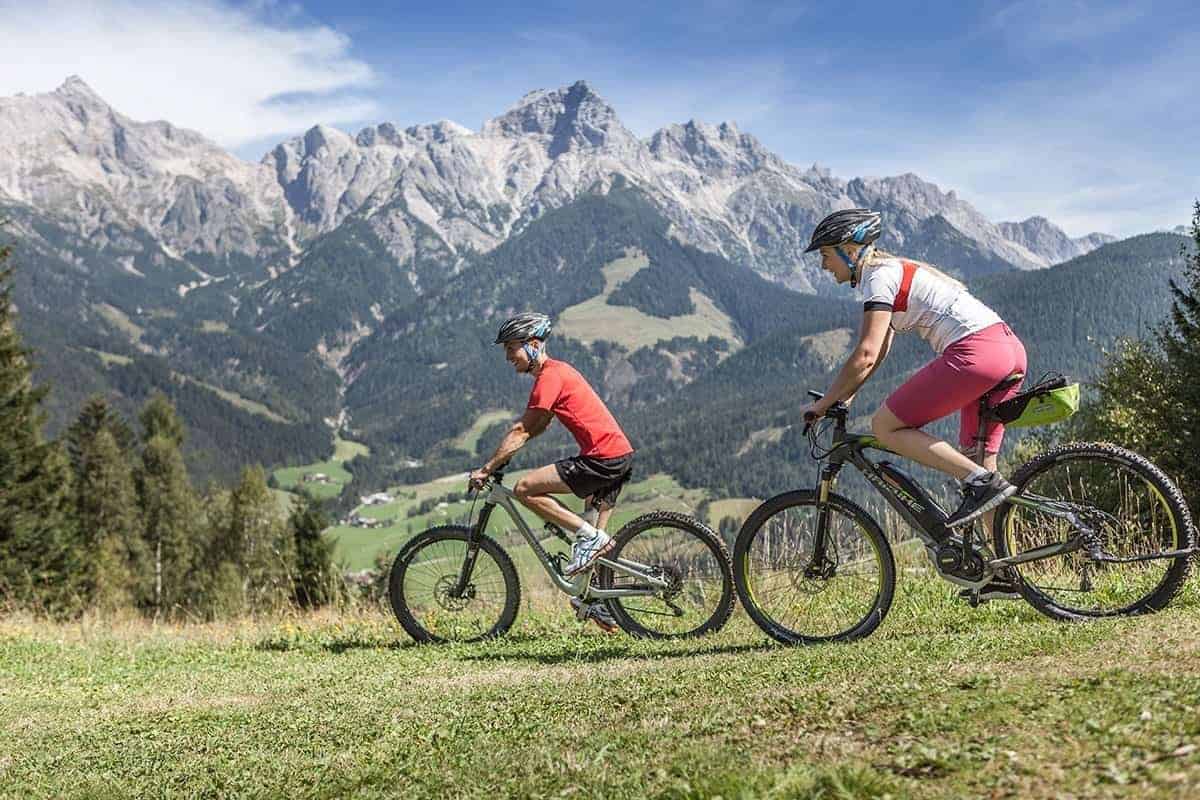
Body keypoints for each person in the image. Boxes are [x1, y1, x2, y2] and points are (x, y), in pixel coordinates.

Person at [799, 209, 1028, 592]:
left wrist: (820, 406)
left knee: (885, 426)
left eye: (825, 255)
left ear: (849, 249)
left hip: (976, 353)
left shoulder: (878, 277)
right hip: (1007, 349)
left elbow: (865, 353)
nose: (823, 265)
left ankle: (978, 482)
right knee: (979, 462)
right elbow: (880, 351)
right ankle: (1009, 570)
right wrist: (845, 397)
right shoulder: (892, 271)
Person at [469, 312, 635, 632]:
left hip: (602, 458)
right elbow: (539, 425)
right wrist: (510, 452)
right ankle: (595, 601)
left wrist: (487, 468)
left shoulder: (550, 377)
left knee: (524, 488)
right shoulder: (557, 373)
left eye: (511, 348)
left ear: (533, 345)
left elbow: (522, 429)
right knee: (592, 551)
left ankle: (591, 541)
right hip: (617, 456)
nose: (508, 357)